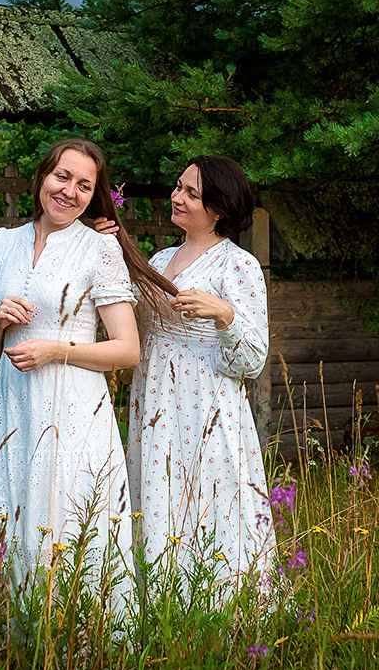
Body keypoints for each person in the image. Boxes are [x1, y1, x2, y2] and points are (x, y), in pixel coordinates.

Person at [0, 138, 174, 623]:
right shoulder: (4, 243)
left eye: (85, 186)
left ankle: (88, 649)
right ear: (43, 176)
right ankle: (27, 645)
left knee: (69, 524)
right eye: (63, 177)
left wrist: (57, 349)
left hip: (75, 411)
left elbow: (127, 349)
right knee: (18, 521)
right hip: (16, 408)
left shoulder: (99, 248)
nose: (70, 192)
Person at [107, 156, 273, 600]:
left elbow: (253, 360)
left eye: (191, 193)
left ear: (217, 208)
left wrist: (225, 314)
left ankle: (222, 614)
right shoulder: (162, 258)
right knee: (158, 504)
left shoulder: (238, 266)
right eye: (178, 186)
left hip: (206, 410)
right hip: (154, 404)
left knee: (208, 506)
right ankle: (158, 610)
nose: (177, 197)